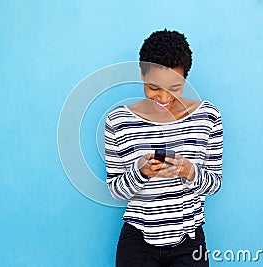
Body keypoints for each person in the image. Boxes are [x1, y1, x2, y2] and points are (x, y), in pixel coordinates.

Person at [104, 29, 223, 267]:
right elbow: (116, 190)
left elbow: (214, 184)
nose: (164, 97)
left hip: (189, 244)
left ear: (186, 78)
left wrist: (189, 171)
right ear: (142, 74)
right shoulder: (118, 121)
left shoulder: (208, 118)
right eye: (154, 87)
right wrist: (142, 173)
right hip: (137, 243)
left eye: (175, 87)